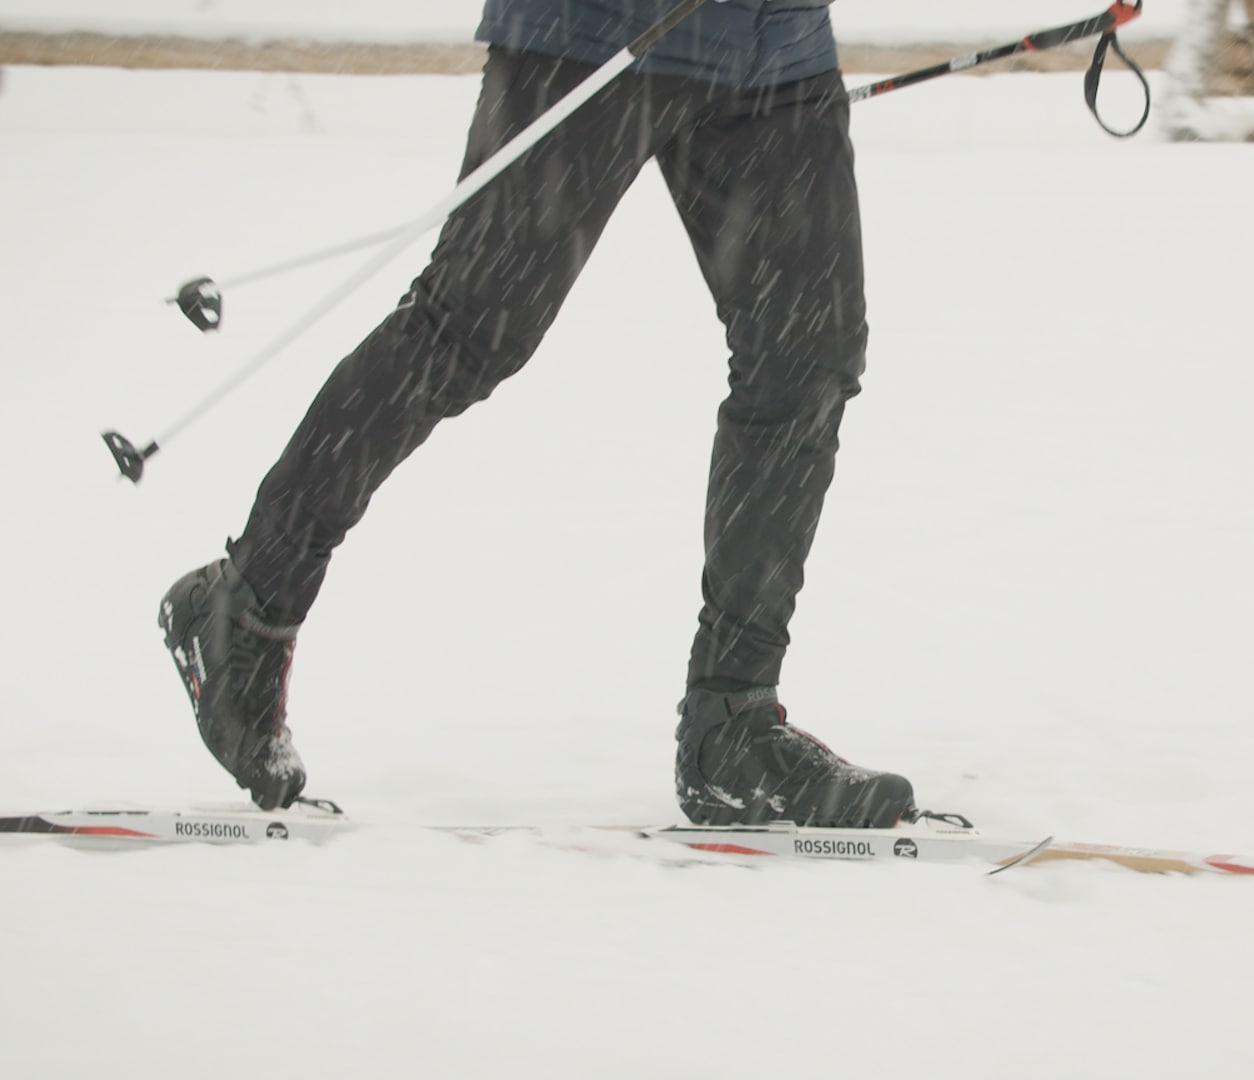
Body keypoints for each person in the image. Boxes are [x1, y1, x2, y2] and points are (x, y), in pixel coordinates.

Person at [155, 0, 916, 829]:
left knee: (806, 357)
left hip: (777, 41)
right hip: (597, 22)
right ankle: (247, 606)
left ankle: (732, 726)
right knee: (469, 331)